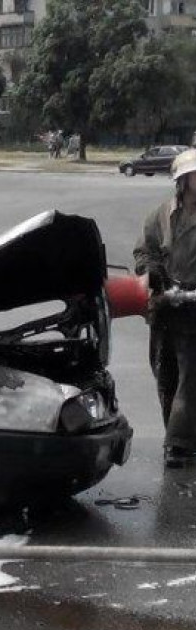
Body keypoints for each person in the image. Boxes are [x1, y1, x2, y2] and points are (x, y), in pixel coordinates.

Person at [134, 148, 196, 467]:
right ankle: (177, 437)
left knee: (190, 377)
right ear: (182, 180)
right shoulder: (161, 215)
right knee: (165, 375)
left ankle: (178, 444)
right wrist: (152, 273)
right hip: (164, 309)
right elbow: (144, 252)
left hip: (193, 311)